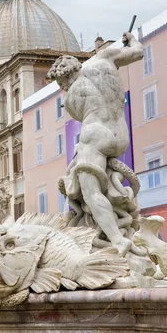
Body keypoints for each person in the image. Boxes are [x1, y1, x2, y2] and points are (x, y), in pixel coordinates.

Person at [48, 32, 144, 257]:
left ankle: (118, 240)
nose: (61, 86)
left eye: (60, 83)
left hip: (96, 136)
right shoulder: (104, 58)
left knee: (90, 192)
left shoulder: (69, 99)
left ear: (63, 79)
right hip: (120, 134)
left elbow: (83, 118)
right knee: (95, 181)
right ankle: (116, 225)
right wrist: (131, 39)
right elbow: (138, 52)